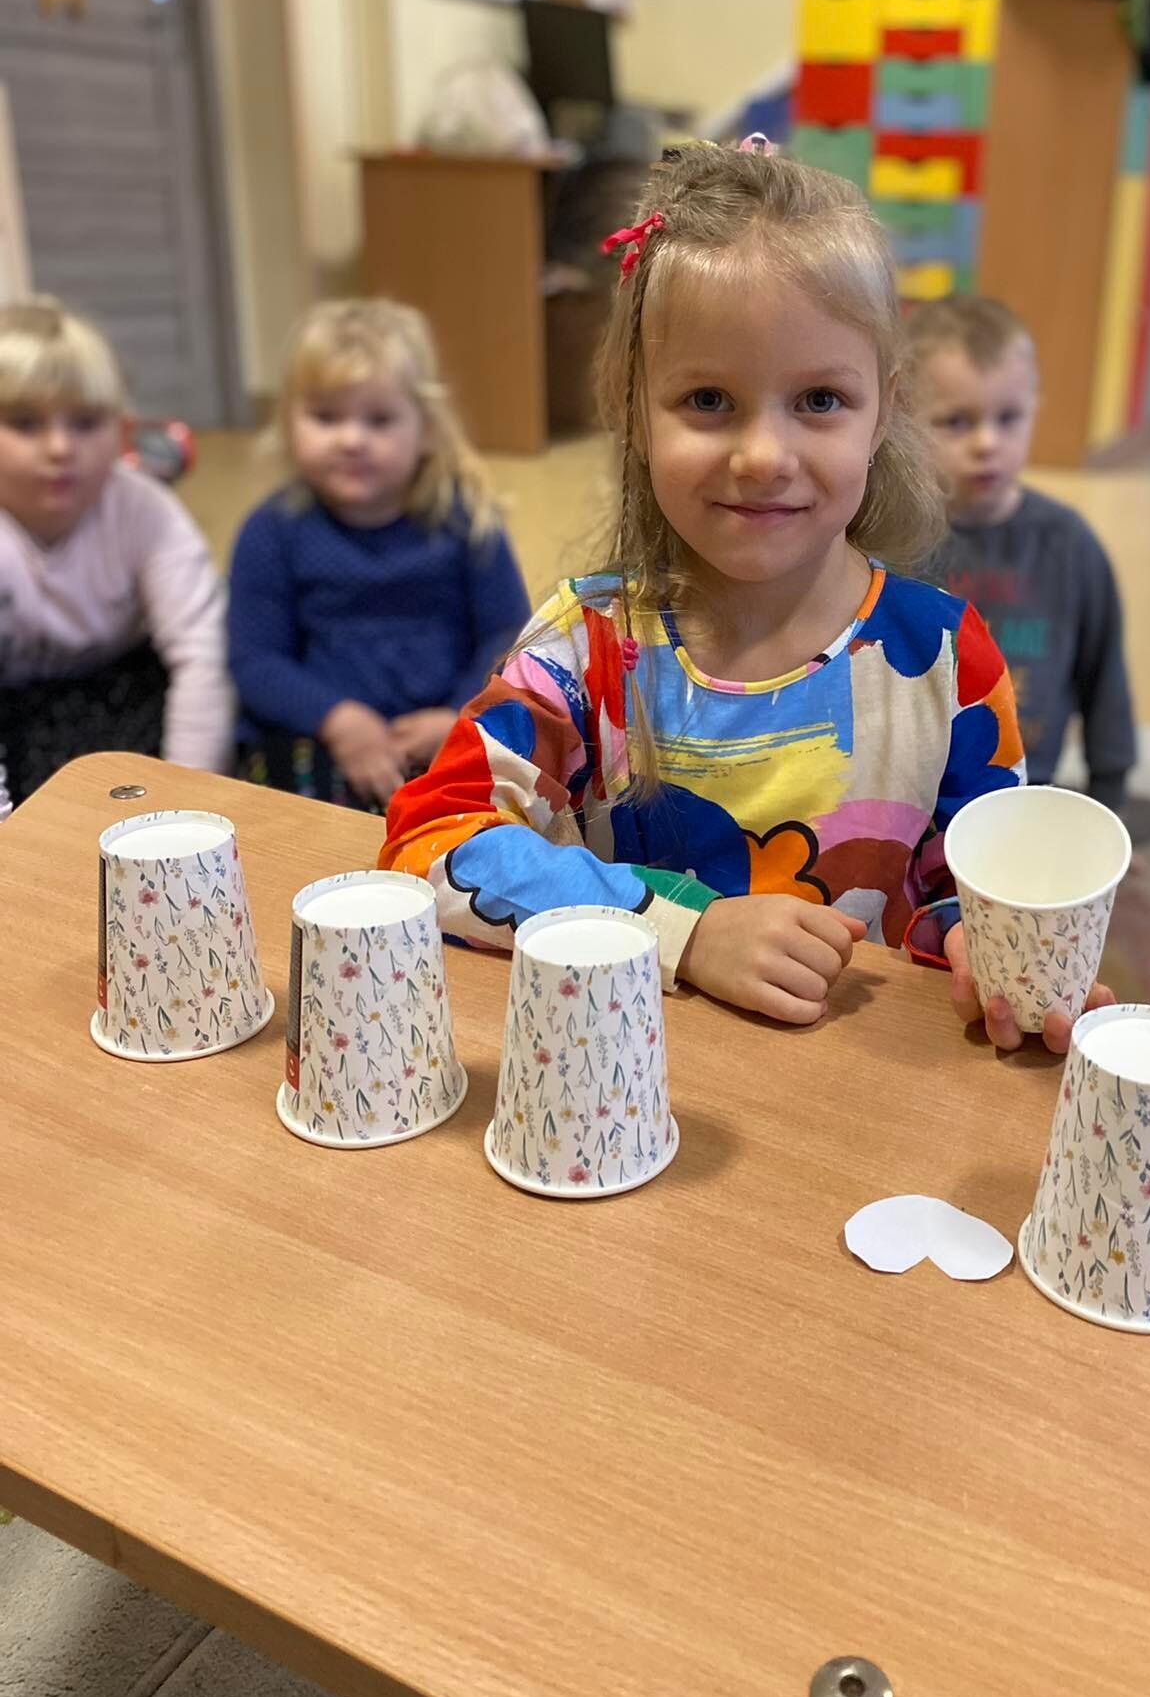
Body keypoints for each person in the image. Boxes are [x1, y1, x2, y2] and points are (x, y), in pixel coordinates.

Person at [381, 141, 1111, 1053]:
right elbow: (429, 842)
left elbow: (956, 893)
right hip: (628, 1084)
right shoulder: (583, 649)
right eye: (709, 399)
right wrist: (682, 932)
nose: (764, 457)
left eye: (819, 400)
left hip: (852, 1091)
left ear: (884, 410)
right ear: (633, 408)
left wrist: (981, 952)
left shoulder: (948, 663)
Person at [229, 299, 530, 810]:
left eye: (379, 420)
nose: (351, 440)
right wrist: (337, 720)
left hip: (448, 726)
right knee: (285, 820)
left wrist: (459, 715)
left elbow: (508, 638)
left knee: (508, 806)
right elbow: (256, 660)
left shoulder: (467, 522)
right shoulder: (271, 531)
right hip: (317, 735)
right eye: (326, 417)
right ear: (289, 423)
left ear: (426, 429)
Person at [0, 296, 231, 819]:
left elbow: (202, 656)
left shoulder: (145, 509)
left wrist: (185, 812)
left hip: (122, 688)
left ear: (123, 432)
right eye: (25, 424)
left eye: (85, 423)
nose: (60, 448)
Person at [908, 296, 1136, 810]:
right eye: (956, 422)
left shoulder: (1070, 545)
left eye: (1008, 418)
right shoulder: (892, 541)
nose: (987, 443)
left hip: (1030, 797)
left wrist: (1111, 795)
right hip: (915, 800)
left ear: (1035, 411)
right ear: (905, 418)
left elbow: (1105, 680)